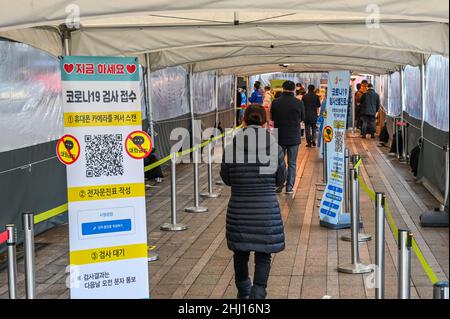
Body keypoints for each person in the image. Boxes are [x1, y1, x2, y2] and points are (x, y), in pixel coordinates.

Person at [220, 104, 286, 299]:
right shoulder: (275, 147)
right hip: (266, 210)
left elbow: (227, 179)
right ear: (265, 122)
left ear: (243, 121)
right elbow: (280, 179)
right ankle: (258, 293)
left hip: (239, 210)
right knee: (263, 254)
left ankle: (244, 291)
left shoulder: (231, 147)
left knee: (240, 252)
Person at [270, 80, 305, 194]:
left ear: (283, 88)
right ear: (294, 89)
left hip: (279, 136)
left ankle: (279, 185)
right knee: (292, 163)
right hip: (294, 136)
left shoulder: (275, 102)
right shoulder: (299, 103)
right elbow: (302, 118)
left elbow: (273, 118)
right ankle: (289, 188)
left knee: (279, 162)